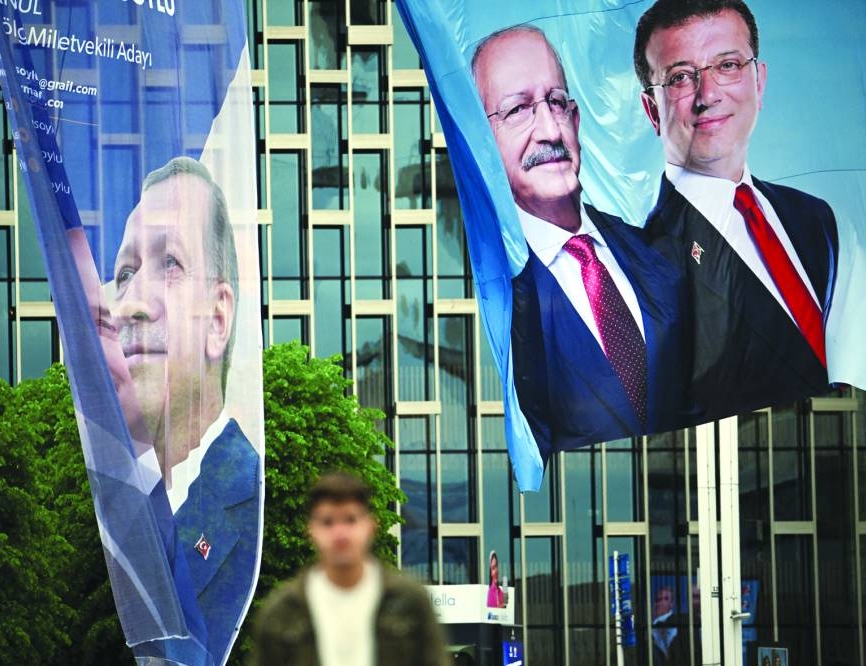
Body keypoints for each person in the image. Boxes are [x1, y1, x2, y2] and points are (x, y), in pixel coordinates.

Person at [471, 25, 691, 456]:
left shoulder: (662, 258)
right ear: (484, 141)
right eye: (518, 110)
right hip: (576, 503)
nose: (549, 130)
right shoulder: (502, 296)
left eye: (556, 102)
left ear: (576, 119)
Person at [634, 0, 838, 420]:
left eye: (727, 65)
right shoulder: (644, 262)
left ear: (758, 83)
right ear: (653, 110)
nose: (708, 95)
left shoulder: (815, 218)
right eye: (680, 78)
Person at [108, 156, 262, 665]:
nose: (130, 302)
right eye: (125, 272)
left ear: (218, 319)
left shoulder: (256, 494)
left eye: (169, 263)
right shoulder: (119, 508)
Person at [253, 472, 447, 666]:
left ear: (371, 526)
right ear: (311, 530)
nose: (340, 533)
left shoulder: (409, 602)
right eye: (328, 522)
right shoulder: (283, 611)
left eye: (350, 520)